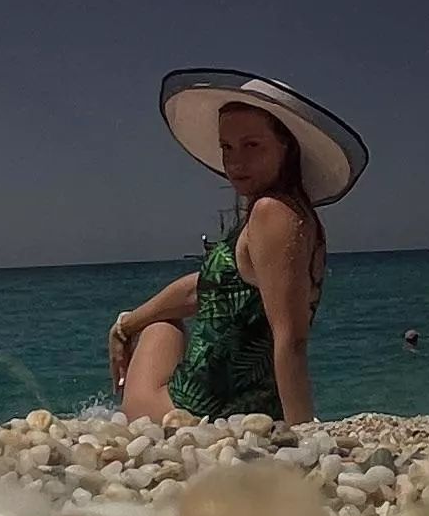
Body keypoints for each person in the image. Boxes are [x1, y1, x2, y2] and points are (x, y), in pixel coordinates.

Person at [110, 71, 367, 427]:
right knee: (154, 323)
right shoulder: (290, 212)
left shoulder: (272, 213)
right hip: (243, 412)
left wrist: (303, 437)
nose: (236, 162)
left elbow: (290, 338)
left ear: (287, 147)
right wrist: (126, 324)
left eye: (252, 145)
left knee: (160, 329)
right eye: (227, 148)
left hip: (203, 418)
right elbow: (205, 287)